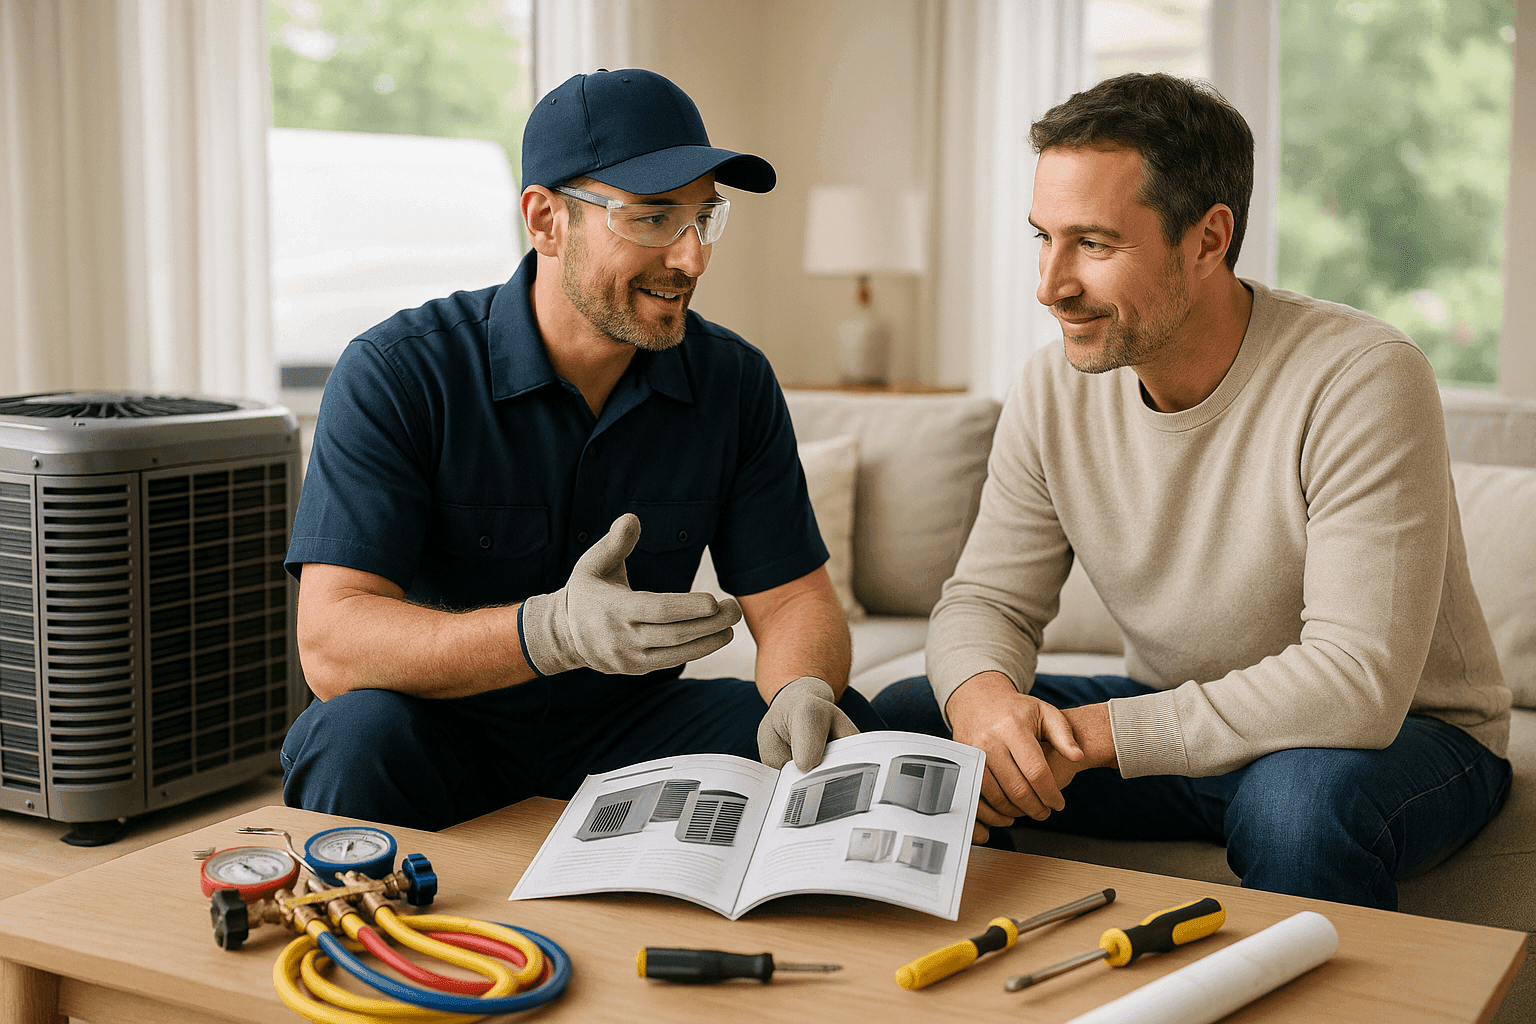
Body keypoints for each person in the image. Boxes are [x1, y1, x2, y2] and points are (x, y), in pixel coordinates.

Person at [872, 72, 1512, 910]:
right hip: (1183, 725)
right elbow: (986, 598)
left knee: (1293, 806)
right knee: (914, 721)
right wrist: (986, 702)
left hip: (1400, 739)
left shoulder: (1361, 376)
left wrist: (1100, 737)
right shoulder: (1052, 388)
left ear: (1209, 239)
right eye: (1044, 238)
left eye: (1094, 245)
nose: (1051, 284)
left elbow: (1355, 683)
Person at [280, 68, 882, 831]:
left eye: (704, 217)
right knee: (351, 738)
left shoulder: (733, 382)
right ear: (545, 220)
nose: (691, 257)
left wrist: (802, 688)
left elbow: (794, 598)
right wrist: (549, 631)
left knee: (843, 730)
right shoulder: (399, 373)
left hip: (630, 734)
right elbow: (331, 644)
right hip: (443, 727)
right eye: (654, 218)